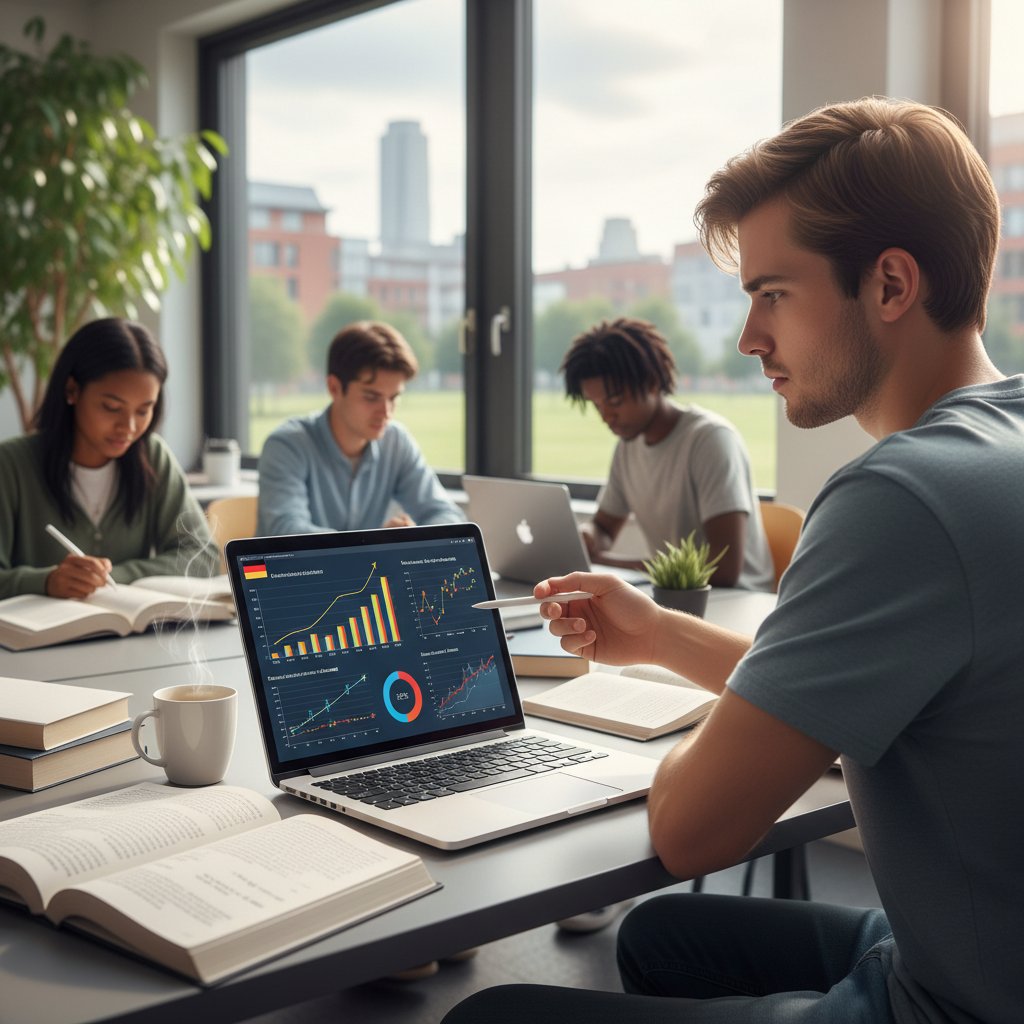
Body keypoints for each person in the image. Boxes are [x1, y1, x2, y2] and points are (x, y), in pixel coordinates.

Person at [441, 97, 1024, 1022]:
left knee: (487, 1016)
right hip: (976, 934)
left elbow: (689, 830)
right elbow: (856, 687)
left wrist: (661, 760)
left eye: (773, 294)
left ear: (890, 285)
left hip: (955, 1002)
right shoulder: (1002, 439)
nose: (752, 337)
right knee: (660, 934)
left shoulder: (903, 497)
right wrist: (664, 634)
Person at [0, 317, 217, 600]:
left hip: (127, 639)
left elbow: (203, 556)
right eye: (111, 407)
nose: (128, 427)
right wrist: (47, 581)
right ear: (71, 390)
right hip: (38, 642)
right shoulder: (12, 465)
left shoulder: (153, 456)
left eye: (143, 410)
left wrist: (113, 577)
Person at [561, 317, 773, 590]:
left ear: (651, 383)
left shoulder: (710, 440)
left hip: (735, 599)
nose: (606, 417)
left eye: (614, 402)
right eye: (597, 405)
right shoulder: (628, 446)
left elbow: (723, 569)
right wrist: (589, 537)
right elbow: (603, 527)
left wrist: (610, 564)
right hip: (675, 598)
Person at [257, 320, 463, 536]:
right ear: (334, 388)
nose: (386, 412)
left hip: (368, 571)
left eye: (394, 398)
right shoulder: (286, 446)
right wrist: (373, 544)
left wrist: (413, 538)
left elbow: (446, 514)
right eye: (371, 397)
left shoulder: (396, 442)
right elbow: (287, 532)